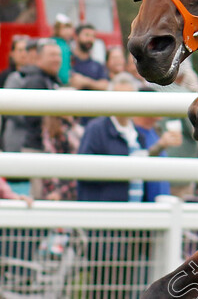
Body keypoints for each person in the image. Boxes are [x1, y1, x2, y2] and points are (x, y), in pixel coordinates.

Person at [0, 38, 62, 196]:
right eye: (52, 55)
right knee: (38, 195)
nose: (56, 59)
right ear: (39, 58)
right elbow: (28, 116)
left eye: (58, 55)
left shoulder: (48, 79)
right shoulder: (35, 80)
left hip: (36, 146)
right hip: (33, 146)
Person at [77, 72, 147, 202]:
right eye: (120, 97)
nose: (125, 103)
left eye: (129, 98)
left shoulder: (139, 136)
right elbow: (84, 171)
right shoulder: (96, 130)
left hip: (134, 212)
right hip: (106, 213)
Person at [39, 115, 83, 201]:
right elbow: (50, 163)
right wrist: (56, 191)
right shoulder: (54, 129)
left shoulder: (74, 126)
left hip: (74, 183)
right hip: (60, 188)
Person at [69, 23, 108, 91]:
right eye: (86, 35)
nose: (90, 39)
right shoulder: (67, 61)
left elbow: (105, 85)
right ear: (76, 37)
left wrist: (85, 82)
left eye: (93, 36)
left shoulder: (97, 65)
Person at [51, 14, 75, 85]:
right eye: (65, 28)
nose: (68, 31)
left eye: (69, 28)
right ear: (57, 29)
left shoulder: (66, 45)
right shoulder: (60, 45)